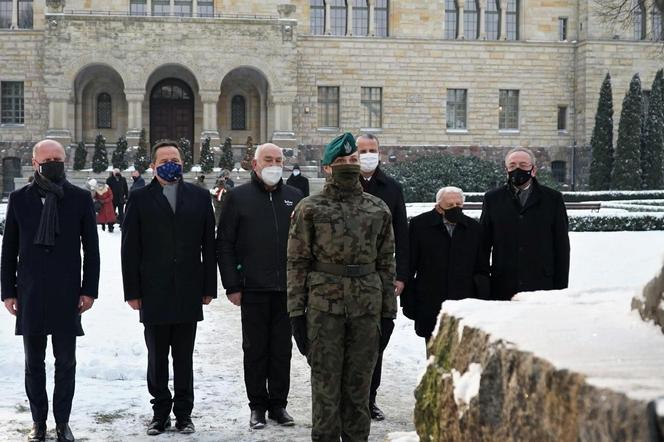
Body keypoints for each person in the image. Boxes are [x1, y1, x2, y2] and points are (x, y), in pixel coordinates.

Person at [287, 132, 396, 441]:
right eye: (341, 161)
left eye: (353, 160)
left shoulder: (378, 209)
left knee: (359, 391)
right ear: (326, 168)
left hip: (367, 309)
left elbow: (387, 263)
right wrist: (296, 314)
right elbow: (296, 263)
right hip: (324, 310)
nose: (349, 165)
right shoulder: (310, 208)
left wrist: (389, 313)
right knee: (325, 389)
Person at [1, 139, 100, 442]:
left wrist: (89, 290)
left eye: (59, 157)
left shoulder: (80, 198)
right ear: (35, 163)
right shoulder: (20, 199)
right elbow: (9, 250)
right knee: (34, 363)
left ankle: (63, 422)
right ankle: (38, 422)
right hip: (30, 292)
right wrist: (8, 291)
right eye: (48, 159)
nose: (55, 162)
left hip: (67, 293)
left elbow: (92, 250)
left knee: (66, 362)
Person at [121, 140, 217, 436]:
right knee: (157, 356)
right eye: (163, 159)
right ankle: (160, 412)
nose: (169, 163)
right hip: (154, 290)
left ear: (182, 163)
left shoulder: (200, 198)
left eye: (174, 158)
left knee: (184, 357)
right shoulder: (138, 199)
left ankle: (184, 414)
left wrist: (208, 287)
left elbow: (209, 247)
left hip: (188, 289)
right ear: (153, 165)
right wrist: (132, 292)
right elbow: (130, 249)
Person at [217, 143, 302, 430]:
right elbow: (225, 244)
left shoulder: (294, 197)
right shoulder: (238, 198)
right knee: (255, 350)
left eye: (279, 159)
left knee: (282, 350)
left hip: (286, 289)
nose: (274, 164)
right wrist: (232, 284)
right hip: (252, 288)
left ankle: (279, 404)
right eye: (268, 159)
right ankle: (257, 406)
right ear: (255, 164)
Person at [355, 133, 408, 420]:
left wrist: (401, 275)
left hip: (381, 276)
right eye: (362, 150)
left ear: (380, 152)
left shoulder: (392, 188)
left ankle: (370, 397)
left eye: (372, 150)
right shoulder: (343, 185)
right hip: (350, 276)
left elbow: (403, 234)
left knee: (377, 340)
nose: (367, 155)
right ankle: (350, 398)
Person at [480, 147, 570, 301]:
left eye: (523, 165)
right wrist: (483, 283)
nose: (517, 169)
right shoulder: (492, 199)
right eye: (512, 166)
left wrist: (560, 289)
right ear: (506, 169)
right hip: (502, 283)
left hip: (541, 283)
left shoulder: (552, 199)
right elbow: (483, 243)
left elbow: (561, 245)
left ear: (533, 170)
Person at [403, 186, 489, 345]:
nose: (455, 208)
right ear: (438, 206)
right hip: (430, 301)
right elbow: (409, 264)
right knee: (434, 353)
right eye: (450, 206)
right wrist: (409, 300)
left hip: (464, 302)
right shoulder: (419, 225)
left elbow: (482, 267)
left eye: (459, 204)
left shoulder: (474, 229)